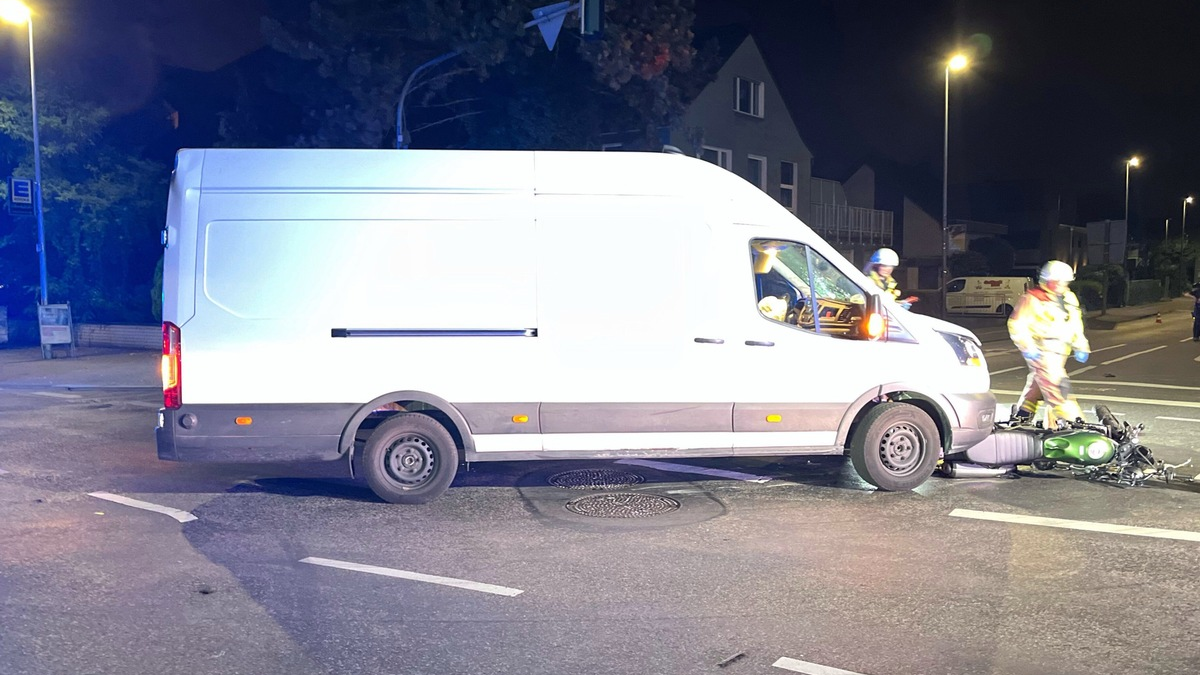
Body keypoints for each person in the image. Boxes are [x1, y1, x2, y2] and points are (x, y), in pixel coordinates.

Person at [1007, 260, 1090, 427]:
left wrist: (1081, 345)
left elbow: (1075, 324)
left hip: (1060, 352)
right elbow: (1017, 325)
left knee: (1037, 388)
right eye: (1059, 282)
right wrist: (1028, 346)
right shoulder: (1032, 298)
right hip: (1042, 351)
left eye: (1065, 282)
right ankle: (1075, 423)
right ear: (1049, 281)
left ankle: (1021, 419)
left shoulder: (1068, 298)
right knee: (1057, 387)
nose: (1063, 286)